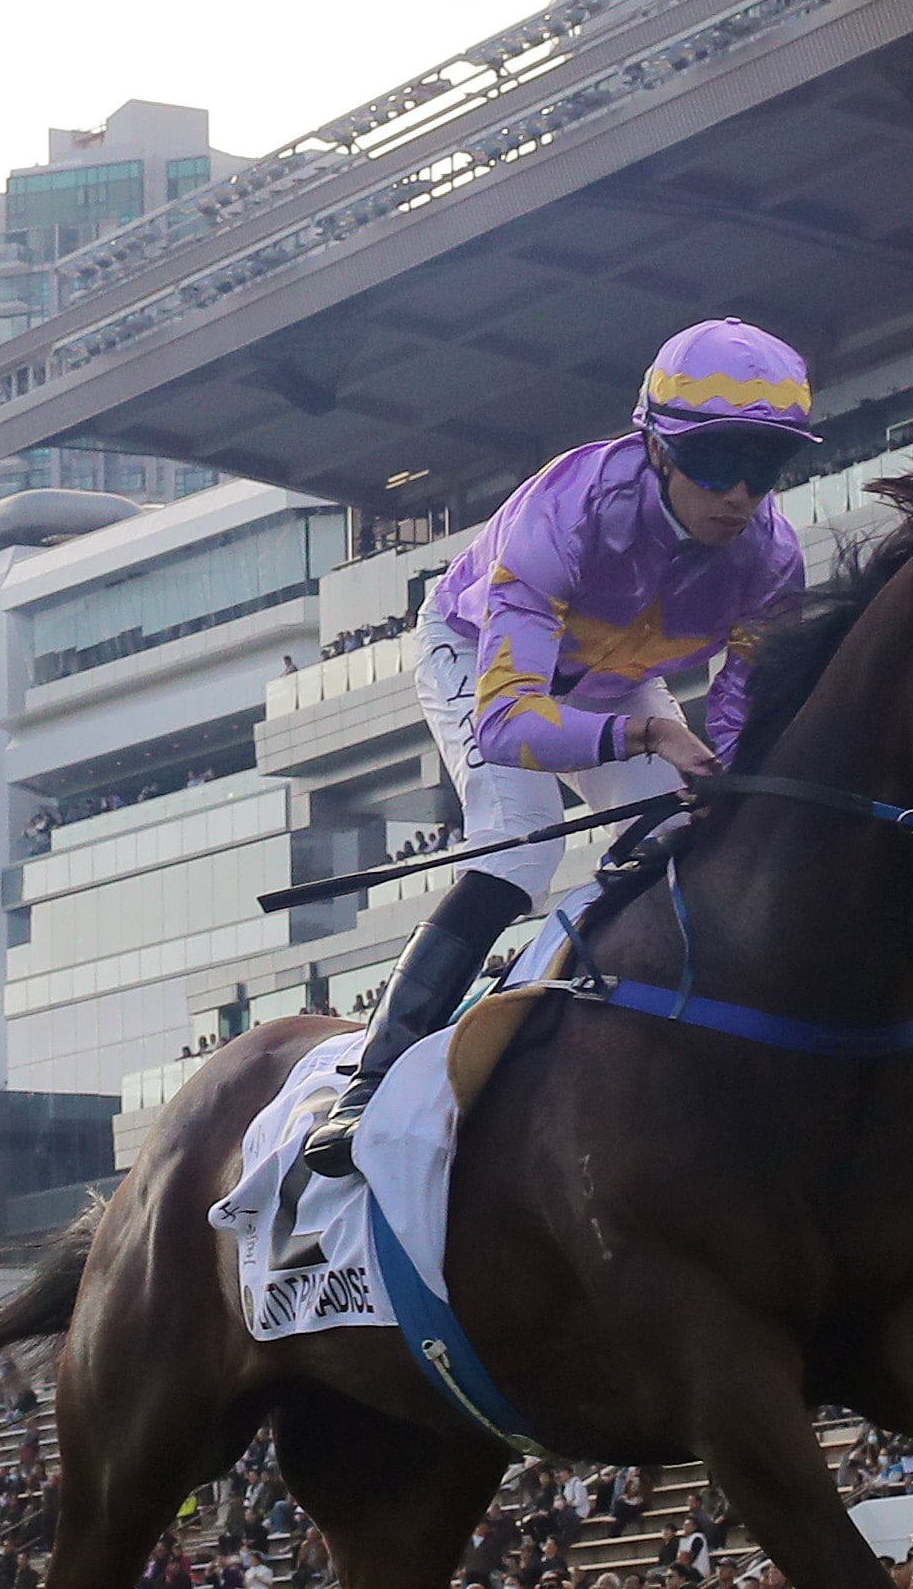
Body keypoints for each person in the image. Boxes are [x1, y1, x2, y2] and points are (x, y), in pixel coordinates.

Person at [303, 317, 816, 1175]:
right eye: (716, 462)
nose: (739, 495)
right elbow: (509, 724)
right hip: (482, 656)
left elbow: (739, 721)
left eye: (764, 469)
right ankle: (374, 1076)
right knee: (518, 849)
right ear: (658, 449)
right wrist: (651, 732)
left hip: (615, 679)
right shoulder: (568, 510)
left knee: (687, 840)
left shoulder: (771, 561)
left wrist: (726, 786)